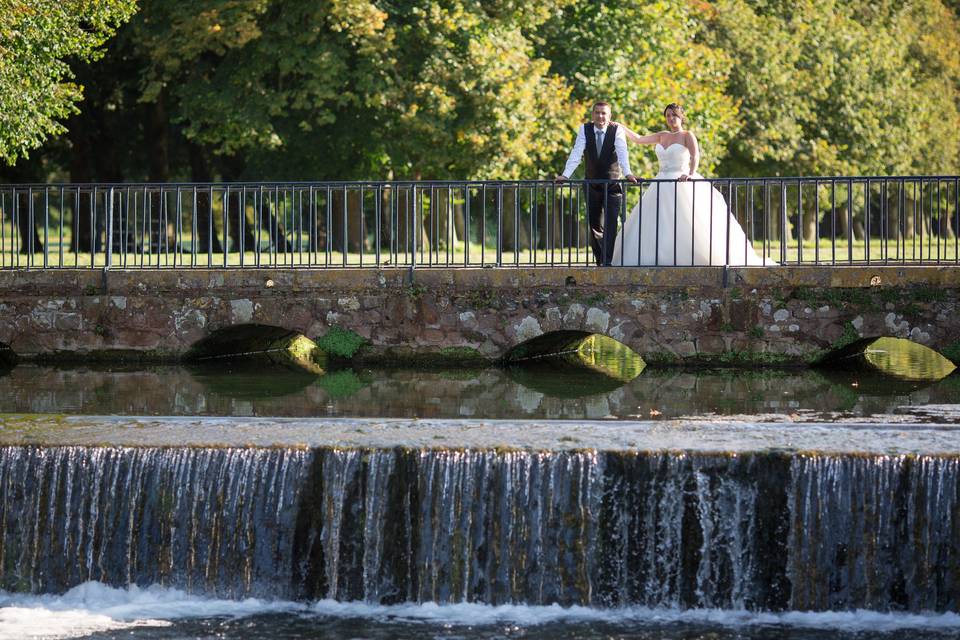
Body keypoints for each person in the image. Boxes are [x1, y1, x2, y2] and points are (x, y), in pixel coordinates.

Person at [610, 104, 770, 266]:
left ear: (681, 117)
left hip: (682, 181)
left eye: (674, 115)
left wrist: (691, 174)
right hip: (661, 183)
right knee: (658, 222)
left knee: (689, 220)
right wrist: (620, 126)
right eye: (668, 116)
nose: (671, 118)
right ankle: (659, 257)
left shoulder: (687, 135)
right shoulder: (662, 135)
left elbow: (695, 156)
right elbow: (638, 139)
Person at [556, 102, 638, 266]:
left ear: (609, 116)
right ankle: (600, 260)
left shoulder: (617, 130)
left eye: (604, 113)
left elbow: (623, 153)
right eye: (597, 113)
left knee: (611, 222)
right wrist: (565, 175)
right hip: (591, 184)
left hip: (613, 184)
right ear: (593, 115)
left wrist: (628, 173)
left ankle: (608, 261)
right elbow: (576, 153)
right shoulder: (584, 129)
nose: (600, 116)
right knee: (594, 224)